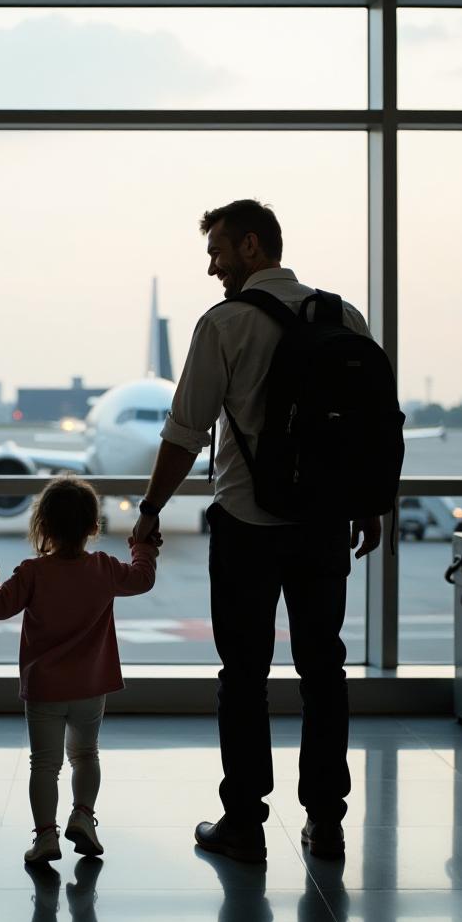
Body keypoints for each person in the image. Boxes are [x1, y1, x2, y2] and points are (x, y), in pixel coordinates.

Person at [130, 199, 383, 863]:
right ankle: (326, 821)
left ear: (249, 247)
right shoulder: (344, 317)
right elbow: (367, 427)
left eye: (217, 252)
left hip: (247, 521)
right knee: (323, 669)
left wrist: (152, 507)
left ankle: (243, 820)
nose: (212, 268)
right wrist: (369, 503)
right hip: (324, 522)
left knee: (243, 674)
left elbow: (185, 431)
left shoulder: (225, 323)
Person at [0, 476, 159, 865]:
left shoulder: (32, 573)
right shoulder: (104, 568)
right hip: (91, 685)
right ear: (93, 527)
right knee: (86, 754)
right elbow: (142, 578)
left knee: (45, 764)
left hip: (44, 689)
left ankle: (45, 837)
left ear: (43, 526)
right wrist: (143, 548)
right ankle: (84, 817)